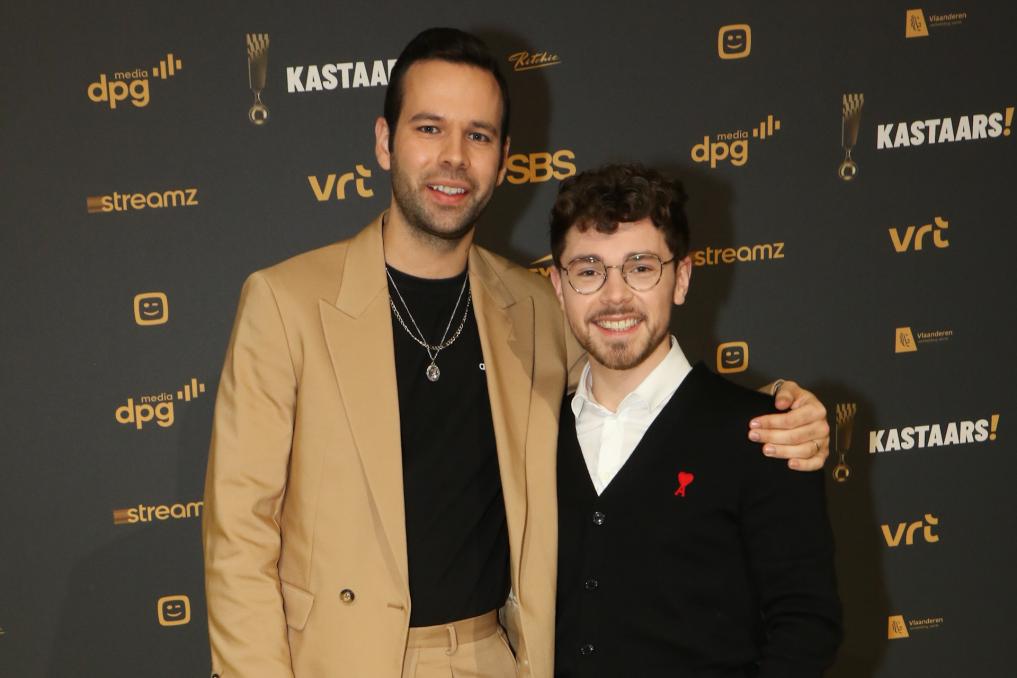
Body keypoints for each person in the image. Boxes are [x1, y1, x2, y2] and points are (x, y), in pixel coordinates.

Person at [202, 28, 831, 678]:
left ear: (504, 160)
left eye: (477, 135)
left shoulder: (534, 305)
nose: (453, 157)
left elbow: (637, 383)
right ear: (385, 142)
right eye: (429, 128)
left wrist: (775, 411)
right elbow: (239, 537)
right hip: (335, 660)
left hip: (492, 658)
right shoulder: (286, 302)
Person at [550, 164, 842, 677]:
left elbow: (806, 626)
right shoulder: (536, 436)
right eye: (589, 270)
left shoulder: (764, 434)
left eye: (641, 268)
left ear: (681, 278)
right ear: (558, 285)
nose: (615, 296)